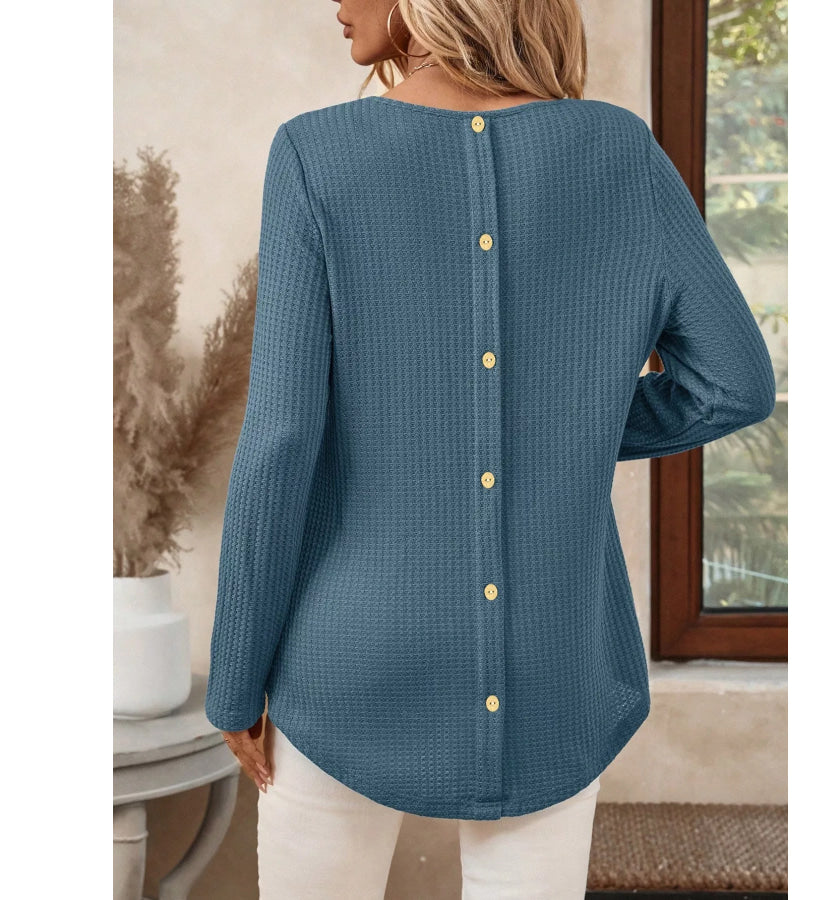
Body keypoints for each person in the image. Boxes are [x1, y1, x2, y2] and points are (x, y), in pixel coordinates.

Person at [205, 1, 777, 898]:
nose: (337, 4)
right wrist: (558, 428)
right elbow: (735, 382)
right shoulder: (621, 152)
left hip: (346, 666)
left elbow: (281, 440)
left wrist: (235, 683)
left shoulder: (316, 155)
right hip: (553, 674)